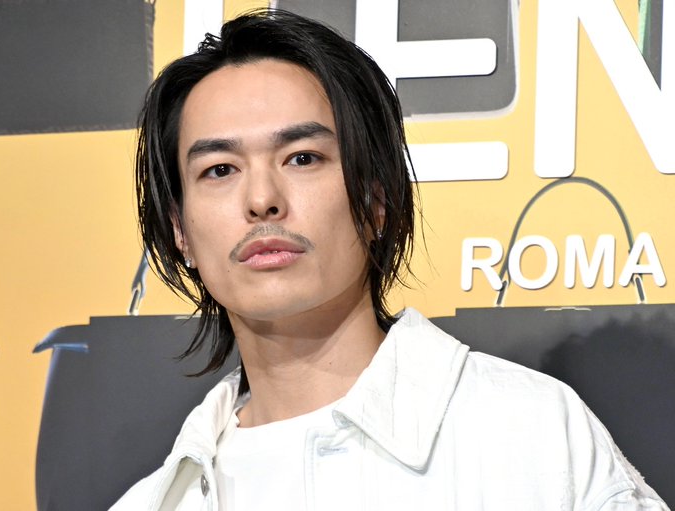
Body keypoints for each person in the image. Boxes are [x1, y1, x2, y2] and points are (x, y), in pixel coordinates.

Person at [111, 8, 668, 510]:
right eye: (219, 170)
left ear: (376, 200)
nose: (262, 199)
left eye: (302, 158)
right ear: (180, 229)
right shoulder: (157, 502)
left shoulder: (535, 435)